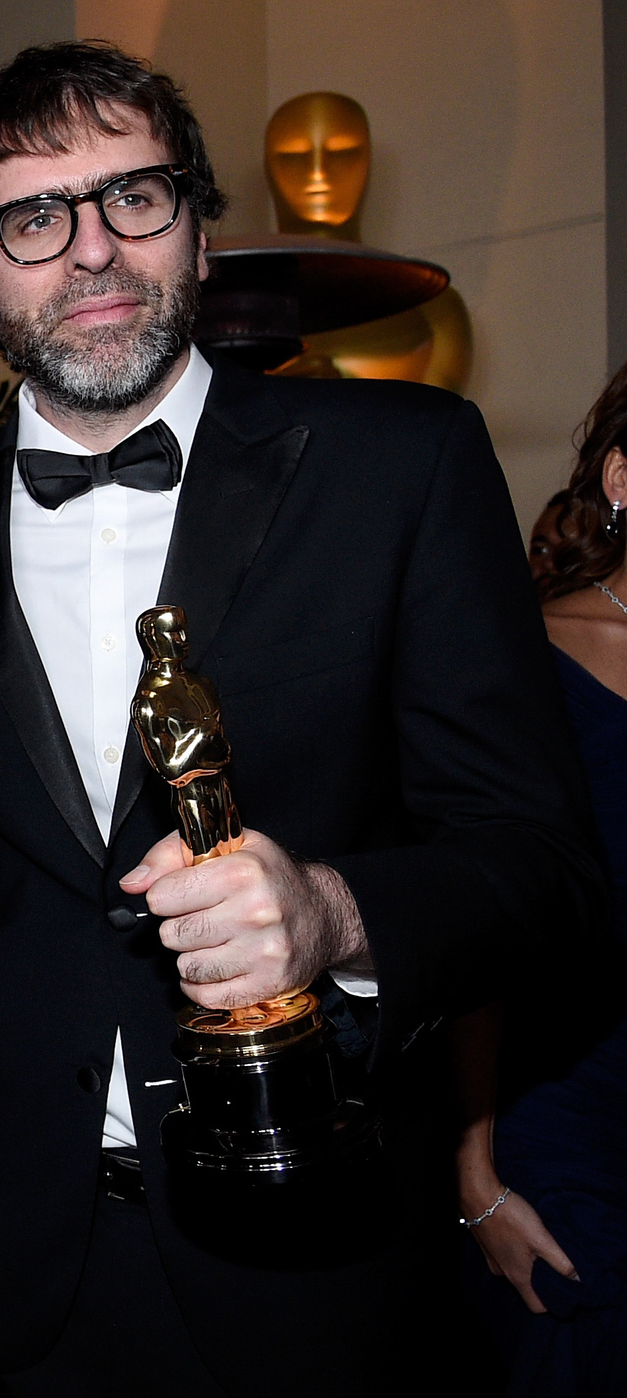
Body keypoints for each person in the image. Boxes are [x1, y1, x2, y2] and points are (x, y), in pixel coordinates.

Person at [0, 39, 602, 1394]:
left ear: (201, 236)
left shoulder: (407, 466)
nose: (89, 250)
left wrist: (334, 913)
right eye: (33, 217)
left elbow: (545, 870)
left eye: (133, 197)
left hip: (315, 1271)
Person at [452, 369, 627, 1393]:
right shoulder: (526, 651)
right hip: (560, 1100)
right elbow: (479, 927)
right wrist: (473, 1176)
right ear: (620, 475)